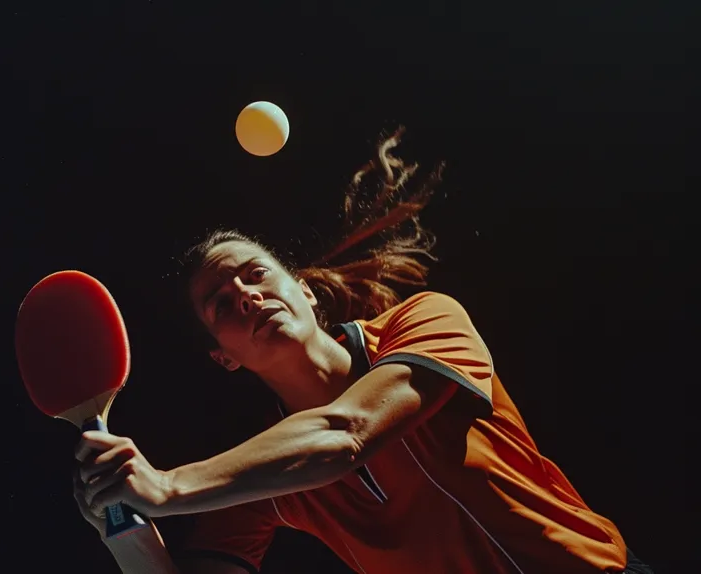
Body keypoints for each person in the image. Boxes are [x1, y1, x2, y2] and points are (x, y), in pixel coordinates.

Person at [71, 129, 653, 574]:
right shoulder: (257, 479)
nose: (246, 296)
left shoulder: (425, 321)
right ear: (223, 357)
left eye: (256, 274)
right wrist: (122, 527)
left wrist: (167, 487)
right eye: (221, 305)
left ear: (304, 291)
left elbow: (347, 433)